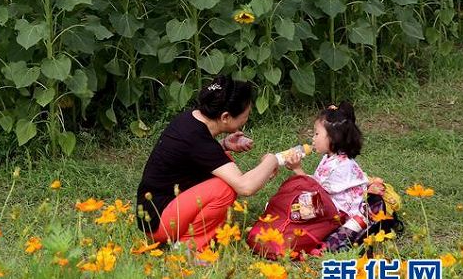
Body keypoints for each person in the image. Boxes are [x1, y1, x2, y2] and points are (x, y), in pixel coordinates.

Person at [135, 75, 280, 252]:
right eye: (246, 115)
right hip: (159, 222)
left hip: (153, 211)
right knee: (225, 188)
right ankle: (187, 248)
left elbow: (192, 155)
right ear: (225, 117)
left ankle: (194, 233)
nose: (246, 120)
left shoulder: (191, 119)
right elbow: (245, 187)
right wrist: (272, 159)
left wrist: (223, 145)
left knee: (226, 164)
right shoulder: (198, 140)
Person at [284, 102, 367, 252]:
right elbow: (317, 183)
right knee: (292, 203)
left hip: (341, 213)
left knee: (296, 209)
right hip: (328, 203)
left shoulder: (341, 165)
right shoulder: (330, 158)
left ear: (334, 137)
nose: (313, 138)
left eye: (317, 134)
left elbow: (317, 191)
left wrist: (297, 169)